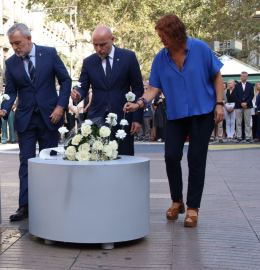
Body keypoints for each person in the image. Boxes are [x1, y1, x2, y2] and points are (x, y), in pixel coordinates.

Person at [124, 14, 224, 228]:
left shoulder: (201, 49)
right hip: (177, 114)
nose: (161, 40)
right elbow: (153, 88)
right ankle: (177, 201)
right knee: (171, 157)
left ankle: (193, 207)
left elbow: (217, 76)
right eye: (160, 36)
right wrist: (139, 104)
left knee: (196, 159)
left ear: (177, 33)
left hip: (203, 112)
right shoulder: (161, 58)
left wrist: (219, 103)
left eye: (164, 35)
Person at [0, 23, 72, 221]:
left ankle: (50, 203)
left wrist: (60, 106)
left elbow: (66, 81)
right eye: (11, 44)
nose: (15, 47)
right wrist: (4, 107)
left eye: (18, 43)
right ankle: (24, 206)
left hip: (50, 117)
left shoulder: (50, 53)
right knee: (26, 162)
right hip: (26, 119)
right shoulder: (11, 63)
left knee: (49, 162)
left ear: (28, 39)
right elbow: (11, 91)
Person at [71, 25, 144, 155]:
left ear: (112, 39)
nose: (99, 49)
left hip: (123, 117)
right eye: (95, 45)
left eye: (103, 44)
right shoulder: (88, 62)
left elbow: (138, 88)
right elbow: (83, 87)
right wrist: (77, 95)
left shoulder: (128, 57)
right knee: (97, 159)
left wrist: (137, 118)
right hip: (97, 118)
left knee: (124, 160)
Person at [233, 71, 254, 143]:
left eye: (243, 76)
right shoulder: (237, 85)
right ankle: (239, 136)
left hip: (247, 105)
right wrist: (241, 103)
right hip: (239, 105)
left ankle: (248, 136)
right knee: (238, 122)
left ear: (247, 77)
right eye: (241, 76)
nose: (242, 77)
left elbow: (252, 95)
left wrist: (246, 102)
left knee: (247, 121)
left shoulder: (250, 85)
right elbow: (235, 95)